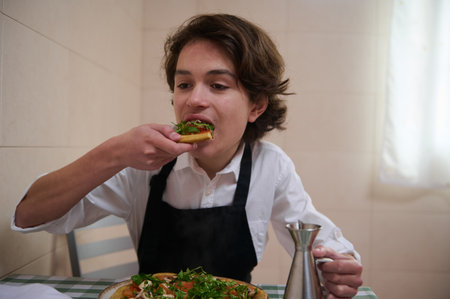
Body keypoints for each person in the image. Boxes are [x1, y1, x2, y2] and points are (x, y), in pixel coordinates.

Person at [12, 14, 363, 298]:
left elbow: (324, 247)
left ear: (256, 105)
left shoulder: (271, 166)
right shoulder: (142, 163)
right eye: (183, 84)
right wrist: (115, 151)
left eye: (218, 85)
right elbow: (29, 216)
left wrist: (339, 267)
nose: (194, 99)